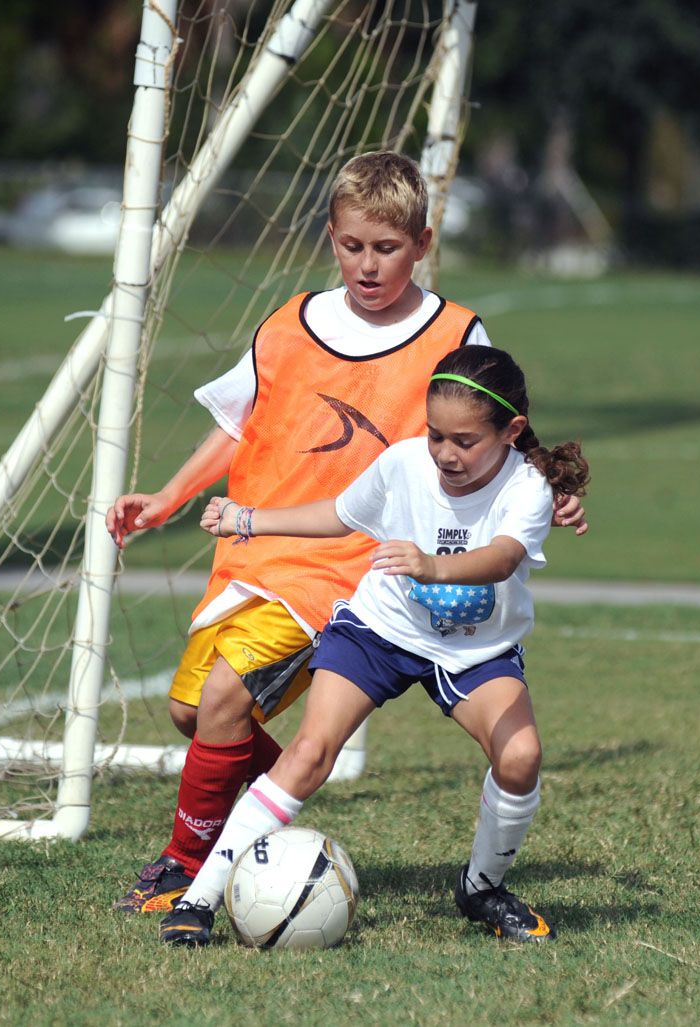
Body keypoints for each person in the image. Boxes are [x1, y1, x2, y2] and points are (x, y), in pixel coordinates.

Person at [106, 151, 588, 915]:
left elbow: (494, 418)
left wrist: (550, 486)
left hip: (352, 567)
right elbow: (241, 420)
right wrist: (168, 498)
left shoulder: (454, 329)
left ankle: (183, 865)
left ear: (422, 243)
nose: (368, 265)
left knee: (228, 697)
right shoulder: (290, 324)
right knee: (197, 713)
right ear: (331, 237)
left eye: (387, 248)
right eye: (353, 246)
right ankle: (268, 801)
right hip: (262, 550)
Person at [158, 345, 589, 946]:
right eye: (436, 435)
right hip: (378, 631)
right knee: (309, 752)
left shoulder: (529, 486)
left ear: (511, 431)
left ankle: (482, 888)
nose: (445, 453)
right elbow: (340, 515)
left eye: (464, 441)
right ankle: (200, 899)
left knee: (520, 758)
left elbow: (504, 558)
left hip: (475, 651)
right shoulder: (405, 463)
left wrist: (430, 565)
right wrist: (248, 519)